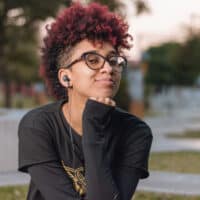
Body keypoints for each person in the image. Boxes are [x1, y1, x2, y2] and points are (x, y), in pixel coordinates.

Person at [18, 2, 153, 200]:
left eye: (114, 60)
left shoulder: (136, 132)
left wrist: (93, 124)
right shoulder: (38, 126)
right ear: (66, 77)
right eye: (93, 59)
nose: (108, 68)